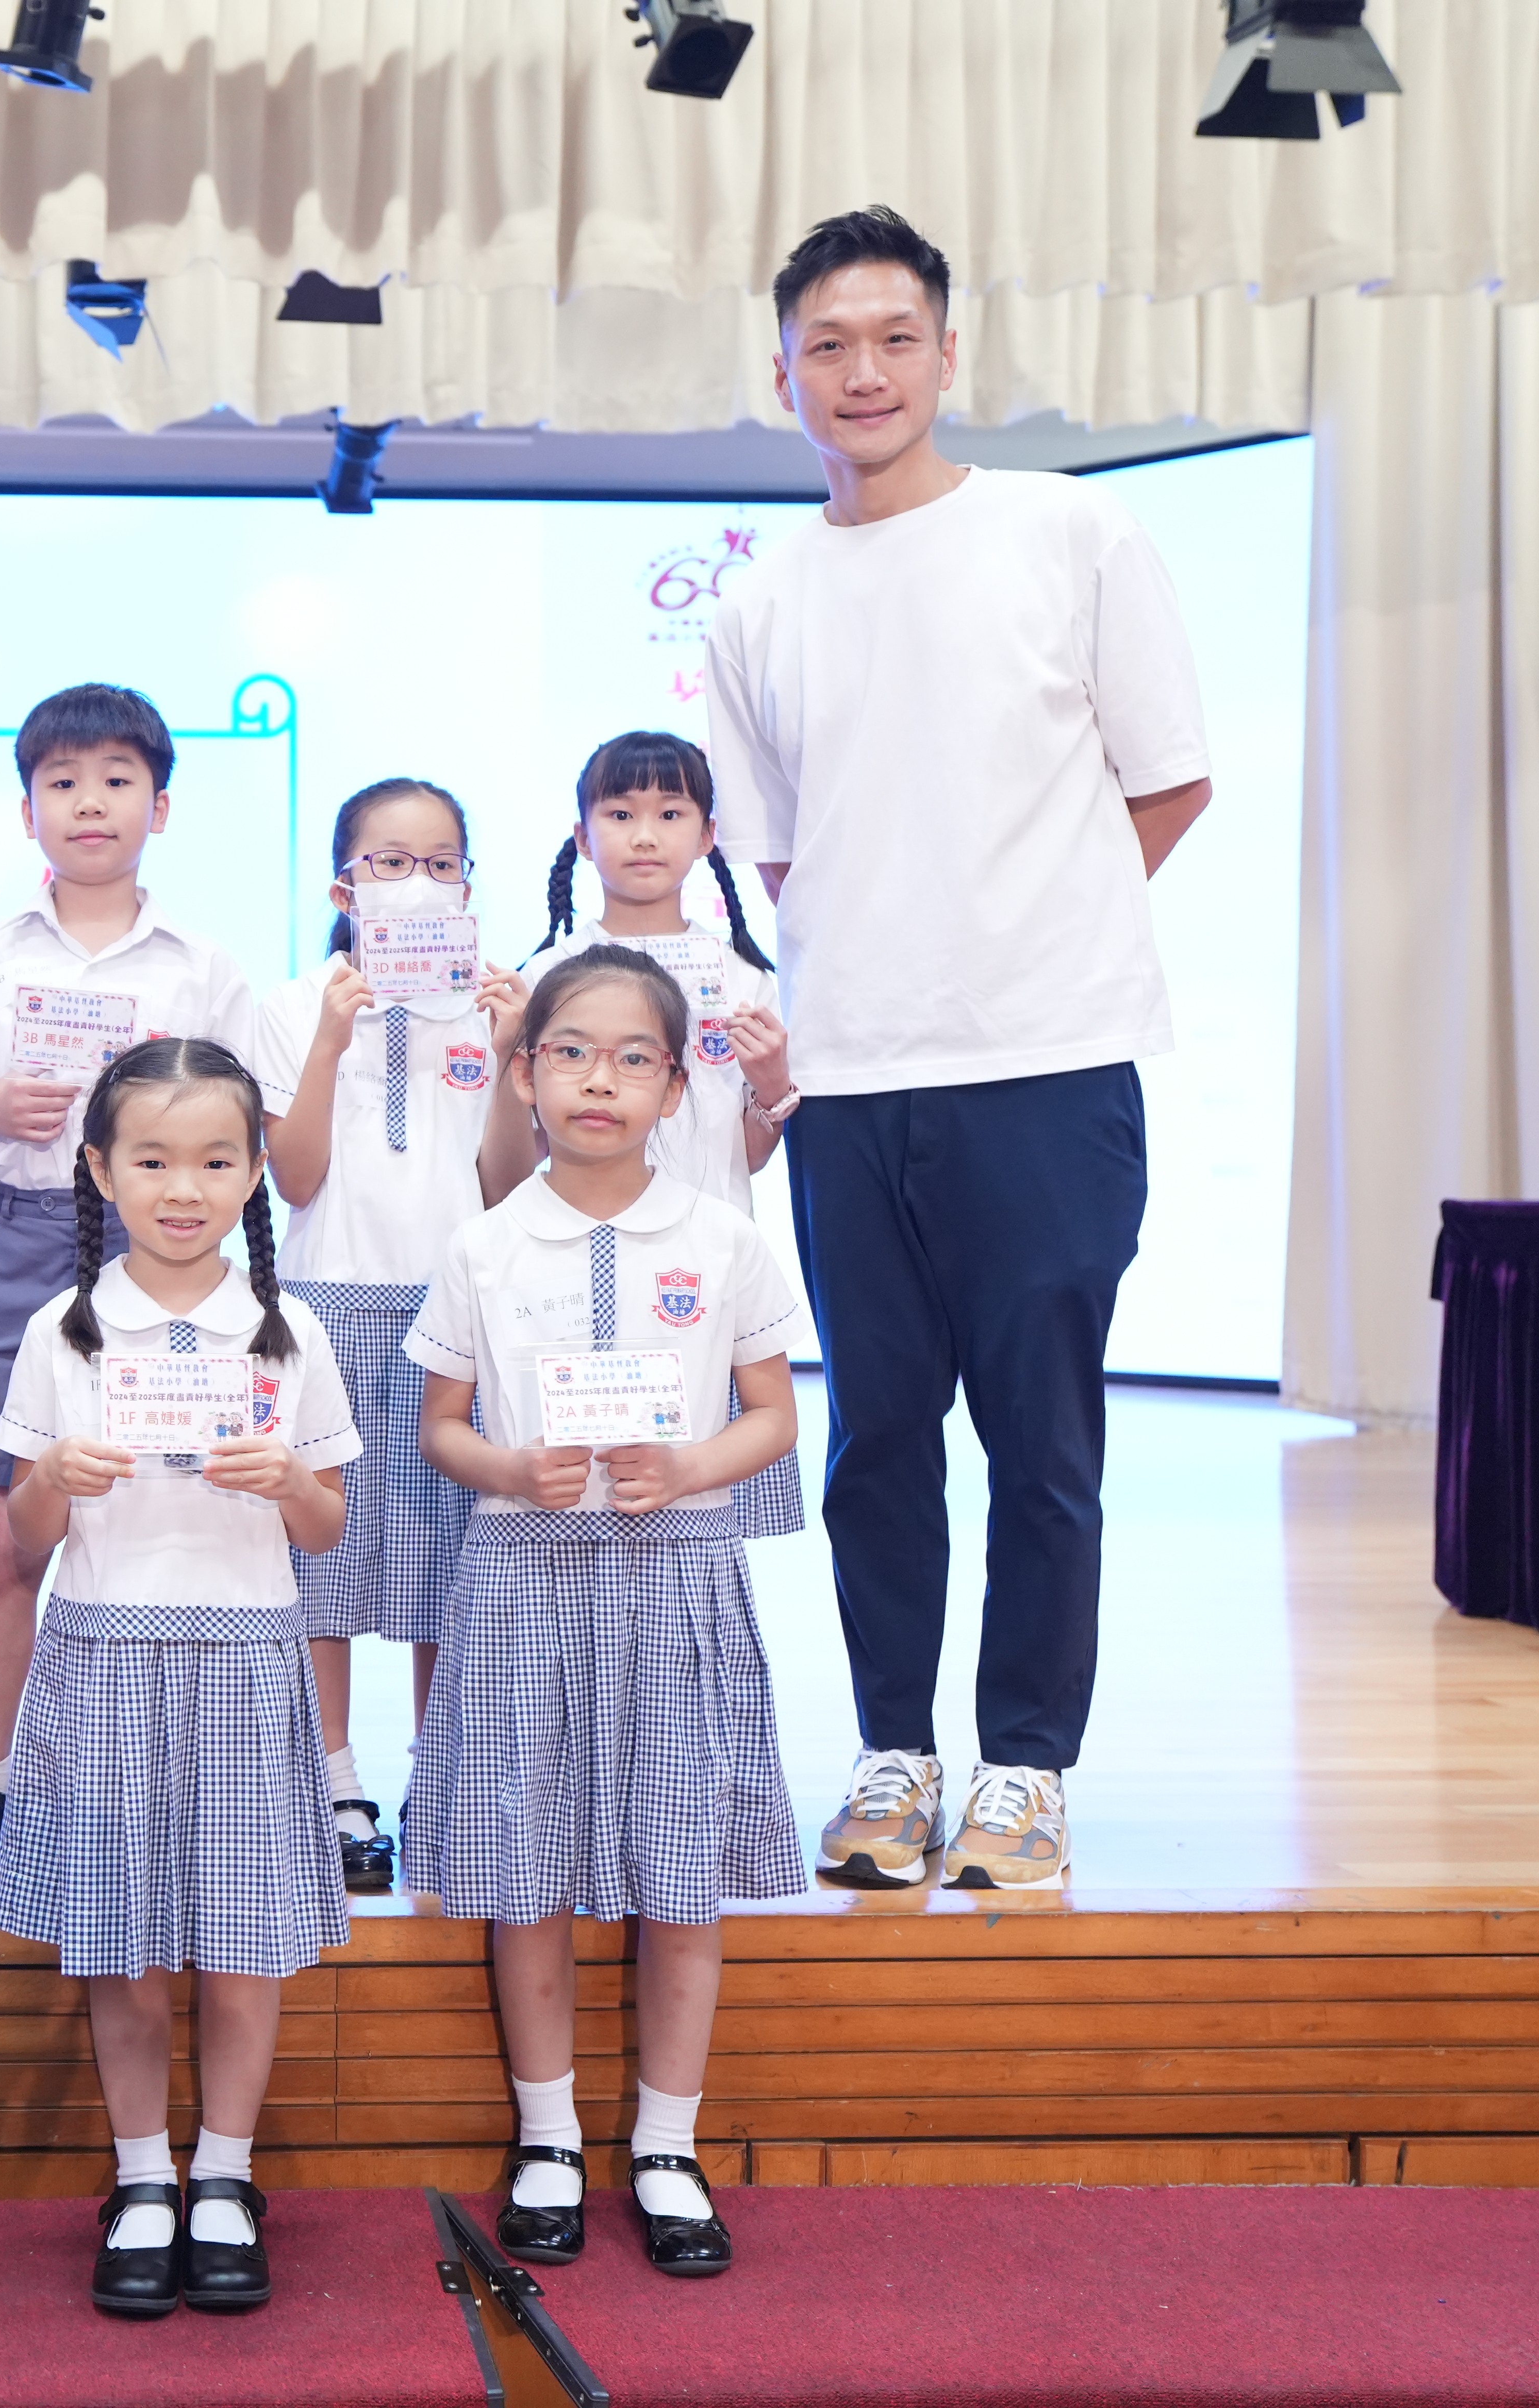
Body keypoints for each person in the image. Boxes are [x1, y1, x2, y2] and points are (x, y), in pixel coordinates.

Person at [704, 207, 1211, 1892]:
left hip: (1048, 1073)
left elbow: (1168, 783)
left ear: (944, 352)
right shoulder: (758, 601)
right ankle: (892, 1755)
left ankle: (1027, 1769)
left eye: (893, 338)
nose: (862, 371)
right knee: (874, 1446)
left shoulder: (1068, 534)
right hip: (850, 1082)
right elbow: (785, 860)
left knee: (1042, 1445)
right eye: (827, 346)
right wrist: (895, 965)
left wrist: (1023, 942)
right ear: (781, 372)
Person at [405, 948, 802, 2278]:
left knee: (679, 1870)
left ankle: (669, 2146)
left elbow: (772, 1414)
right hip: (524, 1578)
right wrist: (508, 1469)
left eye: (635, 1058)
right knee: (527, 1868)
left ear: (676, 1088)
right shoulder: (483, 1243)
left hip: (677, 1571)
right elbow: (441, 1428)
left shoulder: (723, 1238)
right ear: (525, 1073)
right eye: (572, 1051)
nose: (600, 1079)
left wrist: (687, 1466)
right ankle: (549, 2138)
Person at [0, 1038, 355, 2317]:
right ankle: (143, 2173)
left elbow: (329, 1529)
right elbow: (20, 1538)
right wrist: (52, 1478)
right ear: (100, 1169)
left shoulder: (286, 1330)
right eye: (151, 1160)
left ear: (253, 1173)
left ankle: (226, 2175)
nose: (182, 1187)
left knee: (243, 1945)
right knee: (123, 1942)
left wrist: (290, 1479)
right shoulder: (64, 1329)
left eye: (213, 1160)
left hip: (248, 1654)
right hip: (105, 1655)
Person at [0, 684, 260, 1886]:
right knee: (6, 1531)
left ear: (160, 806)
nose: (89, 802)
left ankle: (158, 1778)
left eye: (116, 780)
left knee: (168, 1514)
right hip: (17, 1239)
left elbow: (243, 1129)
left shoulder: (204, 965)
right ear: (27, 811)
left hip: (165, 1252)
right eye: (62, 782)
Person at [254, 778, 524, 1893]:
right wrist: (331, 1035)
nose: (417, 883)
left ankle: (438, 1770)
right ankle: (334, 1782)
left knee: (445, 1559)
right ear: (343, 887)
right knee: (321, 1553)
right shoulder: (291, 1003)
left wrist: (512, 1050)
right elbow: (294, 1177)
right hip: (324, 1304)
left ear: (467, 884)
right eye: (389, 862)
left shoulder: (494, 1005)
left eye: (440, 862)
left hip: (457, 1311)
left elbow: (505, 1183)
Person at [496, 734, 796, 1214]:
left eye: (670, 815)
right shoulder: (545, 976)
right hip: (578, 1235)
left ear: (706, 836)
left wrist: (774, 1087)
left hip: (706, 1242)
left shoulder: (743, 982)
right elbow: (523, 1154)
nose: (645, 836)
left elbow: (746, 1160)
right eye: (620, 815)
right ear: (583, 838)